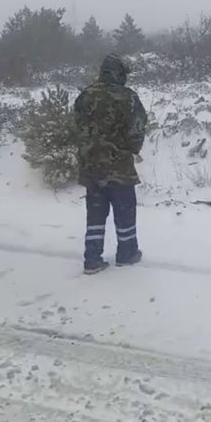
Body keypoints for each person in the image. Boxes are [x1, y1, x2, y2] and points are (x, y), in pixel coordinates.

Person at [74, 54, 148, 275]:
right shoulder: (128, 97)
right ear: (120, 73)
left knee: (95, 214)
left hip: (92, 166)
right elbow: (137, 128)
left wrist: (90, 149)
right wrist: (131, 149)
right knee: (124, 211)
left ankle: (92, 259)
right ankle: (127, 254)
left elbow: (79, 127)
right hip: (119, 166)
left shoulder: (85, 96)